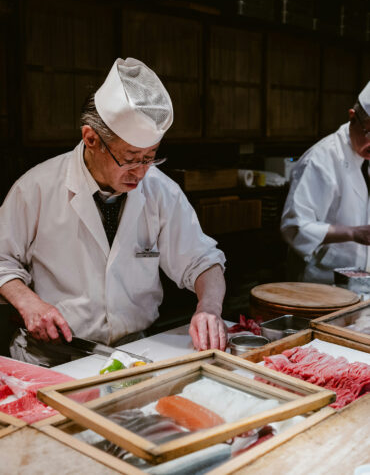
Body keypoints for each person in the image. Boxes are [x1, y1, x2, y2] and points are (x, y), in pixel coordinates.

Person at [0, 58, 227, 366]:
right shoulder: (36, 188)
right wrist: (28, 303)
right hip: (50, 357)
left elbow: (204, 262)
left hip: (134, 353)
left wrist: (209, 309)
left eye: (150, 157)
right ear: (91, 139)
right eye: (130, 157)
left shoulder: (162, 191)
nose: (141, 172)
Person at [281, 81, 370, 284]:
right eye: (369, 133)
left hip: (361, 280)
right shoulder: (321, 159)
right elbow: (295, 227)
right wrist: (353, 233)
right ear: (352, 117)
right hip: (320, 281)